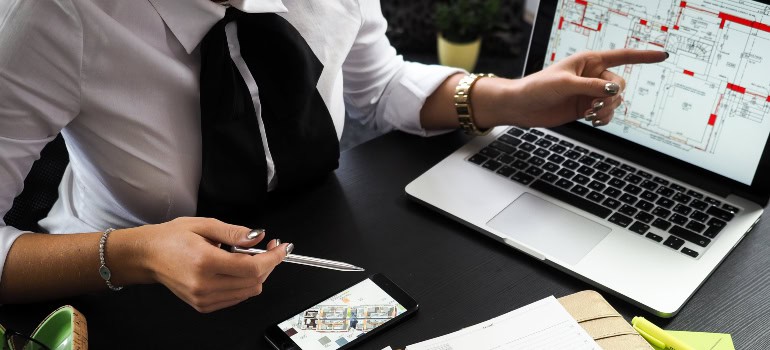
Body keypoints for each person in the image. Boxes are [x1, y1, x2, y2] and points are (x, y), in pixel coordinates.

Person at [0, 0, 666, 313]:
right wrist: (135, 254)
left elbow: (372, 84)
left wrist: (504, 98)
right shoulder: (50, 17)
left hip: (319, 235)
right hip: (127, 292)